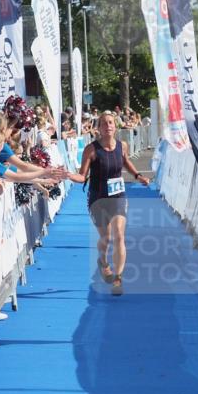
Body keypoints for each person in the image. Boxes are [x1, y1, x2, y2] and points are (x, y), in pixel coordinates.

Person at [65, 112, 149, 296]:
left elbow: (126, 162)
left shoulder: (122, 145)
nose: (108, 126)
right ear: (99, 128)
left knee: (119, 235)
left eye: (111, 123)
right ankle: (103, 261)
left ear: (115, 126)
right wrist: (69, 175)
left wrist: (138, 176)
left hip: (118, 196)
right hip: (98, 198)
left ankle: (118, 278)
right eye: (104, 123)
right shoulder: (91, 149)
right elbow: (82, 176)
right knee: (107, 238)